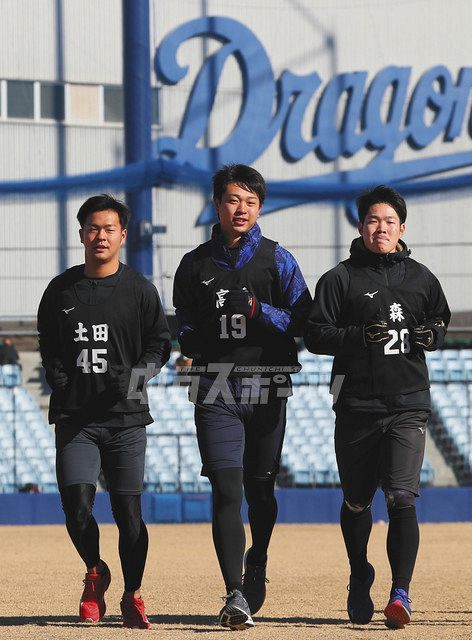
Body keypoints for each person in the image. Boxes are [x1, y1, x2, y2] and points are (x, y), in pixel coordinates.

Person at [304, 185, 450, 629]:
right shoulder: (339, 279)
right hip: (356, 405)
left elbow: (439, 320)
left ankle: (400, 592)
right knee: (356, 501)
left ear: (402, 227)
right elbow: (314, 335)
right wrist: (354, 337)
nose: (380, 228)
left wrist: (432, 335)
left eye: (389, 221)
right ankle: (358, 573)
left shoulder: (422, 277)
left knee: (402, 496)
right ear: (361, 226)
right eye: (372, 220)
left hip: (408, 403)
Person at [173, 164, 311, 630]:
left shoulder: (279, 260)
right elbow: (186, 328)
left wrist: (257, 309)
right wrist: (195, 340)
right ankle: (234, 592)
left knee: (260, 492)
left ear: (260, 207)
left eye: (251, 201)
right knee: (226, 489)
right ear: (217, 204)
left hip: (268, 384)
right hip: (215, 386)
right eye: (233, 199)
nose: (241, 208)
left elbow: (305, 323)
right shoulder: (193, 264)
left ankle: (259, 557)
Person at [37, 194, 171, 629]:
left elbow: (160, 346)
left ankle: (133, 593)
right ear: (81, 234)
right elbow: (47, 339)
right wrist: (54, 371)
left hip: (126, 419)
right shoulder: (60, 290)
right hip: (76, 417)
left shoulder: (139, 290)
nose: (100, 235)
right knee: (76, 505)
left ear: (123, 236)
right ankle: (95, 572)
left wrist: (134, 376)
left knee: (128, 514)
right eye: (93, 228)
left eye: (109, 229)